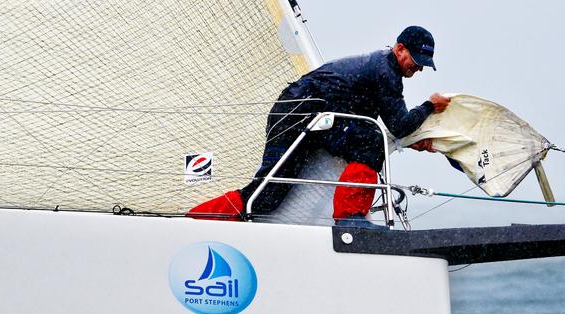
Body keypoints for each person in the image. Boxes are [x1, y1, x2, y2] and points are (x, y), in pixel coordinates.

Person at [189, 26, 450, 227]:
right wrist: (428, 106)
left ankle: (352, 217)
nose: (418, 68)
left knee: (370, 140)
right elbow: (398, 124)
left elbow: (390, 125)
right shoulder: (386, 72)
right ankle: (194, 223)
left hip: (311, 118)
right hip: (297, 115)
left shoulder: (382, 68)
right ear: (400, 48)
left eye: (423, 65)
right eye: (415, 60)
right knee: (266, 194)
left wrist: (411, 141)